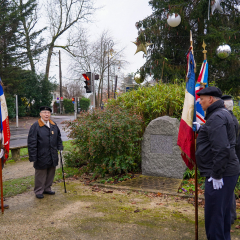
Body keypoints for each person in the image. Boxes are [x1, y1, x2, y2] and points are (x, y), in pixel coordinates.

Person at [195, 87, 240, 240]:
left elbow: (222, 148)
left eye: (202, 98)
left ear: (211, 99)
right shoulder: (223, 114)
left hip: (221, 173)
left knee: (214, 217)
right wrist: (204, 129)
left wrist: (216, 175)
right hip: (228, 171)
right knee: (223, 213)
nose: (200, 101)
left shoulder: (216, 118)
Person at [28, 106, 63, 199]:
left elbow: (58, 138)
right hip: (41, 155)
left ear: (50, 114)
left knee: (51, 172)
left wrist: (60, 147)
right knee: (41, 173)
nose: (46, 114)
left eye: (48, 112)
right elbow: (32, 142)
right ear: (40, 114)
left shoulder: (54, 125)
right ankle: (39, 190)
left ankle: (47, 188)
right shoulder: (35, 126)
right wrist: (33, 156)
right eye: (44, 112)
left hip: (52, 154)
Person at [221, 95, 240, 225]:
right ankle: (231, 215)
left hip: (230, 159)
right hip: (233, 158)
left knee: (228, 189)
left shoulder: (229, 121)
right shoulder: (233, 119)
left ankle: (231, 215)